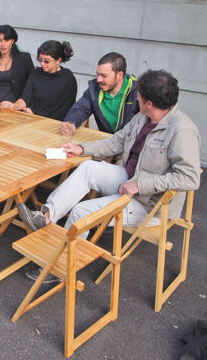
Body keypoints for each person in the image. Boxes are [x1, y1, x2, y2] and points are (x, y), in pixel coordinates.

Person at [19, 69, 201, 281]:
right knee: (88, 168)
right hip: (129, 180)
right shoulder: (143, 118)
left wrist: (141, 185)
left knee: (81, 212)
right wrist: (82, 148)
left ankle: (58, 268)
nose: (136, 97)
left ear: (149, 102)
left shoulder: (182, 130)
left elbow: (190, 178)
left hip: (149, 204)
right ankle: (46, 217)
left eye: (139, 95)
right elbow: (117, 141)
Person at [62, 52, 139, 135]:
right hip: (105, 143)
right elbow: (81, 108)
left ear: (120, 75)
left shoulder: (138, 92)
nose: (98, 79)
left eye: (104, 76)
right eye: (97, 74)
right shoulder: (94, 89)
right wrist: (71, 122)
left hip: (131, 144)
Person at [2, 40, 77, 120]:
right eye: (40, 59)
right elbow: (26, 98)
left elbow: (62, 111)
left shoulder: (67, 79)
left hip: (53, 124)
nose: (42, 63)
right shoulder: (36, 73)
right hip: (29, 117)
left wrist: (35, 113)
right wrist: (13, 106)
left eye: (46, 61)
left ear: (58, 60)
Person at [0, 25, 33, 106]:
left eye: (7, 40)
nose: (3, 44)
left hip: (15, 105)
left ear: (12, 41)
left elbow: (31, 85)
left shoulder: (24, 59)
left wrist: (18, 104)